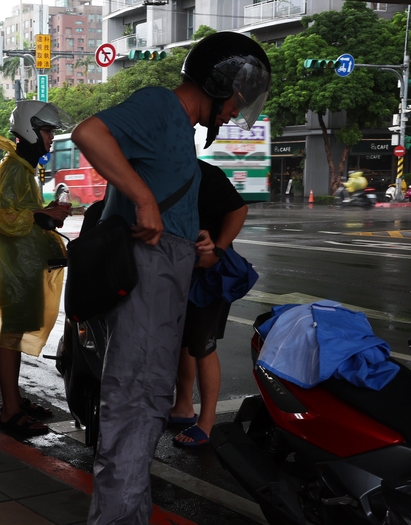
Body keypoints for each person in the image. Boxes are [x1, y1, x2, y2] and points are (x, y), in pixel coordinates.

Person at [70, 32, 271, 524]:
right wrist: (141, 198)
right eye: (236, 102)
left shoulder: (180, 132)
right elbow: (89, 132)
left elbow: (170, 215)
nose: (232, 114)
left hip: (167, 279)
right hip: (148, 281)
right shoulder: (163, 106)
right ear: (217, 83)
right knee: (135, 404)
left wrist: (203, 249)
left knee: (146, 405)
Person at [0, 100, 72, 437]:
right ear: (30, 130)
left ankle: (16, 399)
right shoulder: (13, 169)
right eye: (47, 131)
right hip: (15, 270)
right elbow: (5, 217)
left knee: (14, 339)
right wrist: (45, 215)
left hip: (24, 268)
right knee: (11, 340)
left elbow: (22, 212)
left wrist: (47, 212)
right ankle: (10, 410)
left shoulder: (23, 168)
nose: (51, 138)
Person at [169, 160, 248, 447]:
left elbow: (239, 209)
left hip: (208, 274)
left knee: (203, 346)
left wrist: (217, 249)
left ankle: (207, 422)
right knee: (184, 342)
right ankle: (183, 407)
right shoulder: (161, 168)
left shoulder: (203, 173)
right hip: (179, 272)